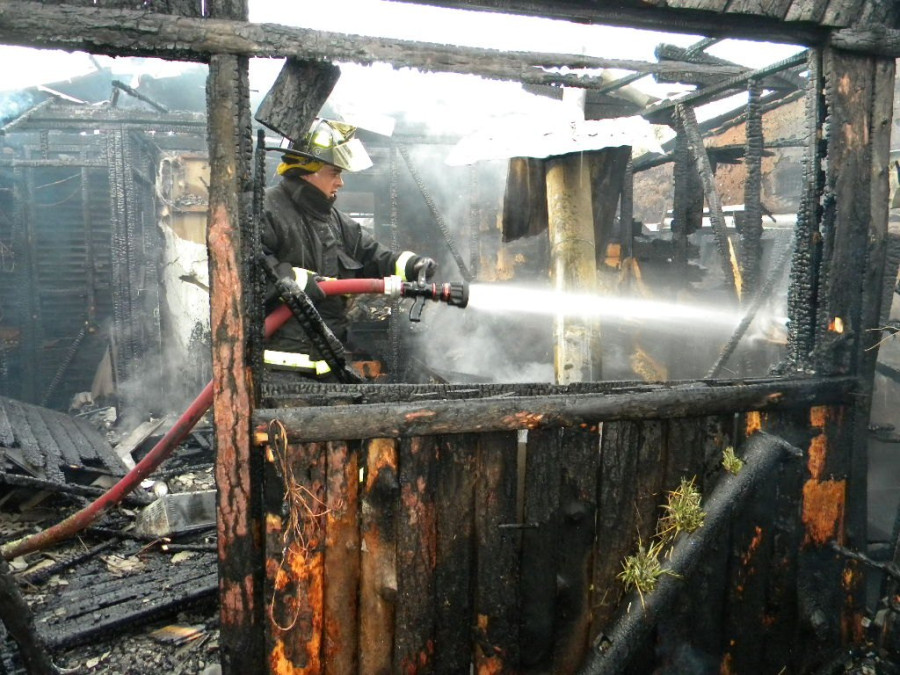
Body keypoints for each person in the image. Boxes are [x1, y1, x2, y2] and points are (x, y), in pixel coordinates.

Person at [261, 118, 437, 379]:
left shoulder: (335, 222)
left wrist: (411, 264)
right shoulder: (267, 208)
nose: (341, 182)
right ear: (307, 170)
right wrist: (298, 281)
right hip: (281, 370)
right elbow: (249, 268)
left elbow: (374, 256)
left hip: (328, 362)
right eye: (335, 172)